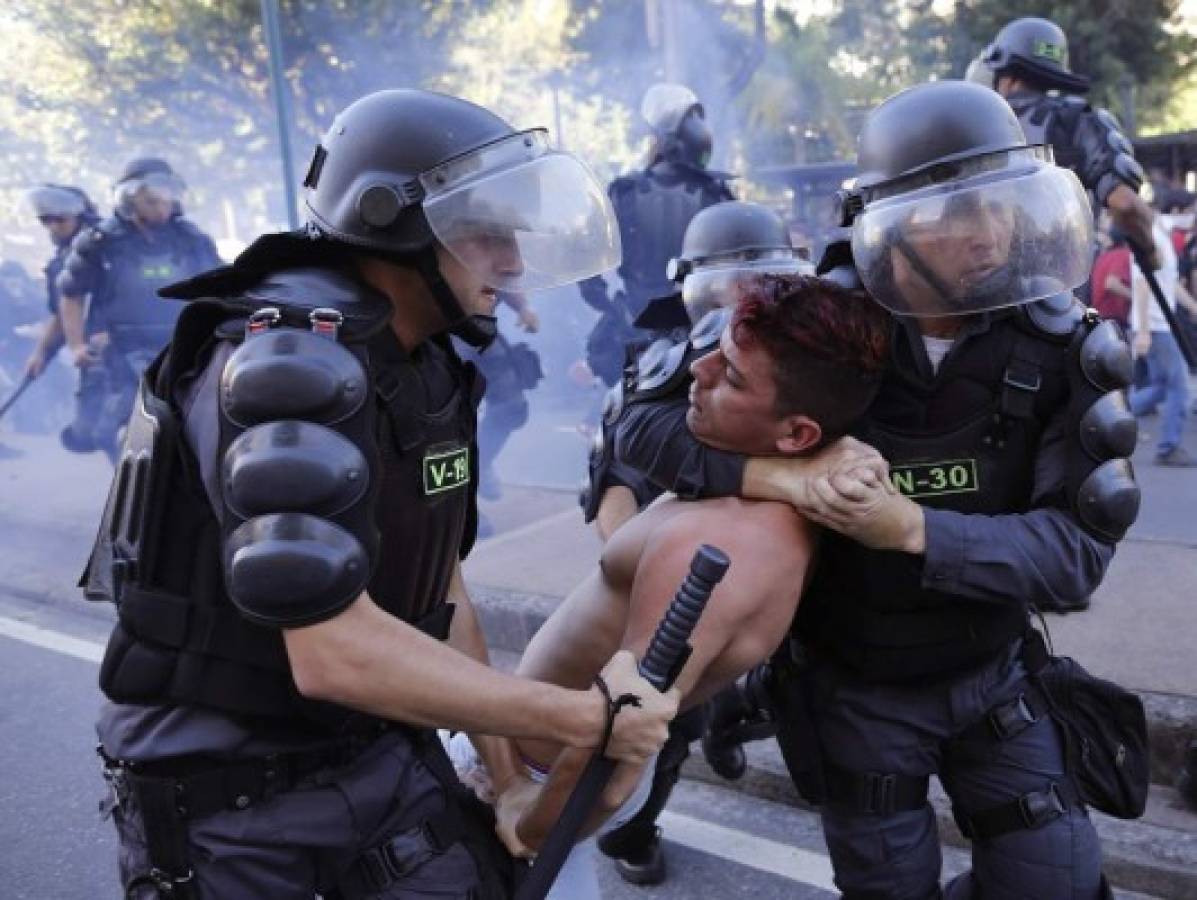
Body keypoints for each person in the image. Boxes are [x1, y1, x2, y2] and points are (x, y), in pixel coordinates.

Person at [84, 89, 678, 900]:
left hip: (371, 751)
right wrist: (577, 718)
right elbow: (332, 652)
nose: (510, 259)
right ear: (390, 221)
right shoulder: (284, 362)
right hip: (229, 788)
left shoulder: (424, 360)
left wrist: (507, 780)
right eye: (484, 231)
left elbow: (441, 590)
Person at [610, 81, 1141, 898]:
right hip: (854, 686)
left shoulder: (1060, 345)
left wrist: (910, 529)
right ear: (887, 225)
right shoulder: (813, 318)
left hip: (992, 673)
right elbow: (638, 425)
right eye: (958, 212)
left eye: (1001, 205)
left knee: (1055, 880)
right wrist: (782, 472)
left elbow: (1074, 557)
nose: (990, 234)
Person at [452, 274, 889, 900]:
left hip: (547, 779)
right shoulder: (765, 490)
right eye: (716, 354)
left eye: (732, 377)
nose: (699, 371)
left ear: (797, 434)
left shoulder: (717, 550)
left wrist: (528, 825)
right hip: (540, 764)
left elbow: (617, 749)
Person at [579, 200, 814, 885]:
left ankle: (736, 713)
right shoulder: (652, 376)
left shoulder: (796, 365)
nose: (741, 311)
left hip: (775, 571)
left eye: (762, 288)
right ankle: (637, 829)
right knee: (661, 728)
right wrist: (650, 598)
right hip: (677, 583)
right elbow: (612, 501)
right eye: (726, 293)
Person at [56, 157, 222, 461]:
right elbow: (71, 294)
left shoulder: (191, 239)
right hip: (117, 349)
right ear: (130, 198)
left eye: (166, 200)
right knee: (116, 430)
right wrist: (77, 345)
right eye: (151, 201)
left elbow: (219, 286)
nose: (161, 208)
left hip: (182, 343)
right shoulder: (99, 242)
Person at [967, 16, 1158, 271]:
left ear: (1006, 75)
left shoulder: (975, 127)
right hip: (1060, 294)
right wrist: (1152, 253)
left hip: (986, 289)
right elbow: (1125, 204)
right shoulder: (1077, 121)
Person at [577, 83, 735, 389]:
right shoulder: (716, 193)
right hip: (701, 328)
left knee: (626, 412)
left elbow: (589, 274)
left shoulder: (624, 192)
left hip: (637, 325)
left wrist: (615, 311)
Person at [452, 291, 543, 508]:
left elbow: (501, 278)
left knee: (512, 407)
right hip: (436, 333)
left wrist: (523, 307)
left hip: (480, 330)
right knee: (443, 413)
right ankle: (457, 503)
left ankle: (478, 464)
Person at [1128, 213, 1197, 465]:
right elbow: (1142, 283)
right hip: (1156, 326)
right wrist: (1144, 330)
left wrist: (1192, 307)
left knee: (1160, 387)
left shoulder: (1163, 236)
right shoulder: (1151, 238)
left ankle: (1114, 413)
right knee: (1178, 386)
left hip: (1158, 325)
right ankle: (1169, 448)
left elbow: (1169, 284)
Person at [24, 185, 101, 382]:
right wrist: (41, 354)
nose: (53, 227)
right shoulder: (61, 262)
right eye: (46, 220)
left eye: (60, 219)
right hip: (94, 358)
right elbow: (63, 315)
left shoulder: (106, 249)